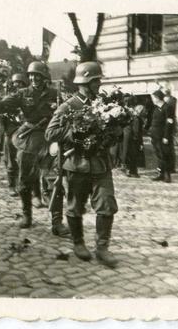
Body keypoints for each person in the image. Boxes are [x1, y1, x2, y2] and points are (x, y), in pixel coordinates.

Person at [45, 61, 118, 267]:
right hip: (77, 164)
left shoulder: (105, 104)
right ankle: (78, 243)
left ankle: (102, 248)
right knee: (75, 206)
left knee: (107, 204)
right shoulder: (68, 106)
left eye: (99, 81)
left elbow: (110, 130)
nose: (99, 84)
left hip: (101, 164)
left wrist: (114, 133)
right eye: (96, 81)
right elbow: (50, 132)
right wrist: (72, 132)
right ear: (85, 82)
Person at [0, 61, 69, 236]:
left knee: (55, 181)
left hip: (49, 140)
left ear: (44, 77)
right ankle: (27, 215)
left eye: (37, 75)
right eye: (31, 75)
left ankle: (57, 222)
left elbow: (67, 113)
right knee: (25, 180)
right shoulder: (22, 94)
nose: (33, 78)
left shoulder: (56, 94)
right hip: (29, 139)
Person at [149, 89, 174, 183]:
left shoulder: (167, 108)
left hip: (163, 136)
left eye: (153, 98)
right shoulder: (156, 108)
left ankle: (167, 174)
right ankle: (160, 173)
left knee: (165, 155)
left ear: (157, 98)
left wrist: (166, 137)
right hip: (155, 135)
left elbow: (169, 123)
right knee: (158, 154)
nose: (152, 100)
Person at [122, 95, 144, 178]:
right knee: (134, 154)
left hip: (126, 136)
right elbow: (136, 129)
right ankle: (132, 171)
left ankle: (128, 169)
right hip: (133, 137)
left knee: (127, 152)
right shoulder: (135, 115)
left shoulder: (124, 112)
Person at [161, 87, 177, 173]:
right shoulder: (173, 99)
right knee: (170, 148)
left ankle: (170, 167)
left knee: (169, 148)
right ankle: (171, 166)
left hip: (167, 126)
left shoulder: (169, 100)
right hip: (170, 125)